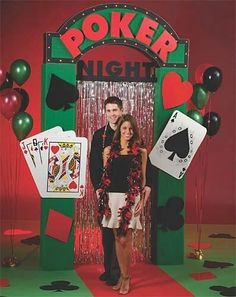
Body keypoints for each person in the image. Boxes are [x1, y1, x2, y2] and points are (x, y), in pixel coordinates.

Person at [90, 96, 151, 286]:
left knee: (124, 237)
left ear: (122, 110)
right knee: (109, 235)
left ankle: (120, 274)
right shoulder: (101, 136)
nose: (112, 114)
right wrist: (98, 188)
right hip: (109, 192)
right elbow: (95, 164)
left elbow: (144, 168)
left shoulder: (136, 141)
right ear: (105, 112)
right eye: (108, 110)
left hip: (128, 194)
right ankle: (111, 270)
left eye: (115, 110)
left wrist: (145, 190)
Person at [98, 114, 147, 295]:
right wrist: (104, 200)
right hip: (112, 198)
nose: (127, 132)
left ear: (134, 132)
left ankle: (126, 277)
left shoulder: (141, 152)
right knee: (118, 239)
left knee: (126, 239)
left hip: (130, 199)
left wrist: (141, 200)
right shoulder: (109, 151)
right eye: (124, 128)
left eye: (130, 129)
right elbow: (105, 178)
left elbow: (143, 179)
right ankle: (122, 275)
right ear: (119, 130)